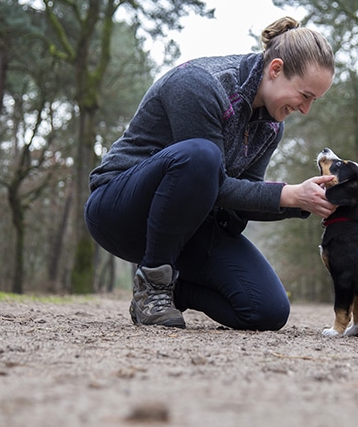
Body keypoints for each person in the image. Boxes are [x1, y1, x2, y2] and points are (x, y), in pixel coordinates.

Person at [84, 16, 337, 331]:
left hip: (186, 228)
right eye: (305, 95)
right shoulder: (201, 83)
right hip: (119, 211)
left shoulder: (271, 127)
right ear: (275, 69)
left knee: (266, 309)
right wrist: (288, 193)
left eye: (314, 100)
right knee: (202, 157)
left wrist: (304, 202)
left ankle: (174, 289)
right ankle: (153, 286)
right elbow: (210, 181)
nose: (305, 109)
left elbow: (242, 198)